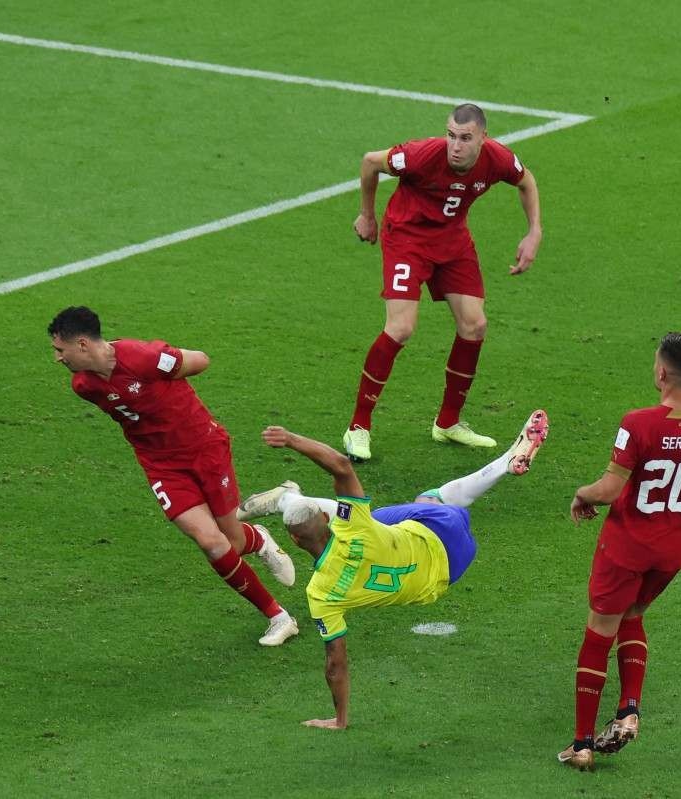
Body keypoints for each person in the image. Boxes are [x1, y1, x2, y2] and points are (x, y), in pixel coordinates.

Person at [243, 409, 549, 728]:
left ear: (293, 541)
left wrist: (340, 719)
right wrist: (291, 439)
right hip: (439, 529)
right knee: (428, 499)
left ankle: (288, 500)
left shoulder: (319, 594)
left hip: (450, 570)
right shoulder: (353, 527)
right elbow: (341, 466)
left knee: (399, 513)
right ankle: (290, 498)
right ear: (325, 520)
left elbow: (335, 663)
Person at [47, 306, 299, 646]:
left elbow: (201, 360)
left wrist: (168, 373)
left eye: (59, 350)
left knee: (233, 543)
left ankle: (257, 538)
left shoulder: (142, 357)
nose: (57, 358)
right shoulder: (83, 385)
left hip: (205, 448)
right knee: (211, 543)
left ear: (81, 345)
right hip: (162, 466)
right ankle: (278, 617)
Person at [558, 333, 681, 770]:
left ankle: (582, 744)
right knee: (633, 615)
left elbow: (608, 489)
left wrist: (580, 493)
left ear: (661, 372)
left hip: (626, 547)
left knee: (597, 635)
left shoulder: (638, 422)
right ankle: (628, 710)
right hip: (673, 552)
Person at [343, 102, 543, 462]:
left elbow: (526, 180)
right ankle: (358, 426)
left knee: (475, 324)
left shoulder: (497, 159)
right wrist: (367, 215)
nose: (455, 145)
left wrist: (533, 232)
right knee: (401, 327)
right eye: (451, 135)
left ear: (484, 137)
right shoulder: (420, 155)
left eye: (465, 138)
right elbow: (371, 161)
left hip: (452, 241)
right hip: (407, 238)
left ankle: (448, 423)